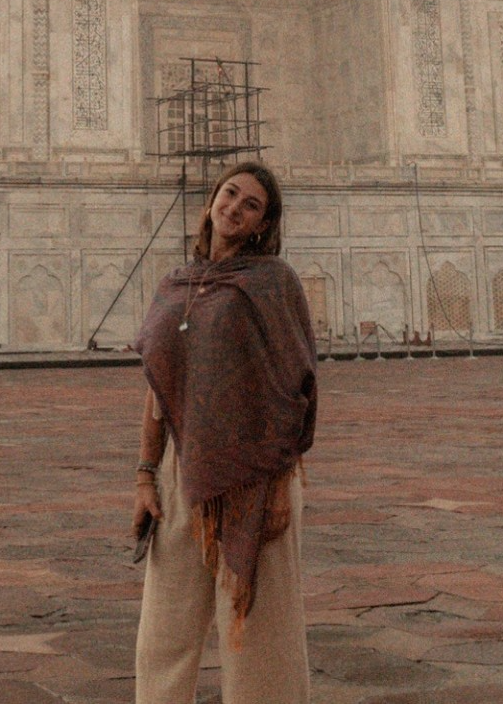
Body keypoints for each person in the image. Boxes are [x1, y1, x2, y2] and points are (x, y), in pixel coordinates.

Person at [131, 161, 318, 704]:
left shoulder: (273, 282)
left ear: (263, 224)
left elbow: (294, 387)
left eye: (251, 204)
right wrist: (145, 475)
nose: (235, 208)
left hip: (259, 473)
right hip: (184, 469)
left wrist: (277, 484)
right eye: (230, 194)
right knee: (164, 631)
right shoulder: (177, 283)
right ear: (212, 198)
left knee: (262, 636)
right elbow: (160, 389)